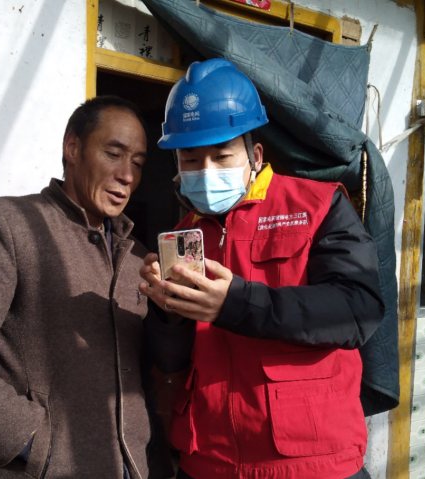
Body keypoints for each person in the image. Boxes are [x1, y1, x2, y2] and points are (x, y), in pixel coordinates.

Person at [139, 58, 385, 479]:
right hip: (209, 459)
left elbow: (358, 309)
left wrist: (234, 303)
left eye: (221, 156)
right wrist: (167, 314)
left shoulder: (317, 206)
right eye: (191, 160)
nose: (206, 172)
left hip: (309, 461)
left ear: (254, 155)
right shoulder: (182, 236)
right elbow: (172, 360)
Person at [0, 95, 171, 479]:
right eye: (113, 154)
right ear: (73, 148)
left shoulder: (139, 258)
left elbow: (152, 373)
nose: (127, 175)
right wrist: (36, 444)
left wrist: (172, 315)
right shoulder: (2, 226)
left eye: (137, 163)